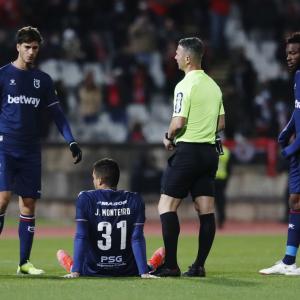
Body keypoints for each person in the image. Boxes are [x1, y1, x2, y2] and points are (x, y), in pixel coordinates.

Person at [0, 26, 82, 275]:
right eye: (27, 47)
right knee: (2, 199)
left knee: (29, 204)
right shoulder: (3, 76)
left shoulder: (43, 81)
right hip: (5, 147)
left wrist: (71, 141)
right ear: (18, 47)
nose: (31, 52)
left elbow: (58, 115)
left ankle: (24, 263)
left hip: (31, 151)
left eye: (35, 48)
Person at [151, 37, 225, 277]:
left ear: (188, 58)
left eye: (177, 53)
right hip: (209, 153)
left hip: (188, 152)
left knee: (166, 205)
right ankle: (199, 265)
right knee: (205, 209)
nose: (174, 57)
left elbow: (178, 121)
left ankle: (171, 265)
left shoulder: (184, 85)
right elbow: (221, 123)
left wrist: (168, 136)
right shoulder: (214, 86)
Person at [56, 158, 164, 278]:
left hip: (93, 270)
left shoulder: (85, 198)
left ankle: (71, 265)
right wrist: (144, 273)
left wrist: (75, 272)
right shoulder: (135, 199)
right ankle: (151, 265)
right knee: (161, 253)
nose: (93, 181)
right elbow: (137, 237)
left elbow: (82, 236)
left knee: (61, 254)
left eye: (93, 178)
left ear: (100, 180)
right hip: (127, 269)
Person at [259, 32, 300, 276]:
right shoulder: (297, 77)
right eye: (288, 53)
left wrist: (288, 150)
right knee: (295, 201)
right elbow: (298, 111)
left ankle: (288, 261)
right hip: (298, 152)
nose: (289, 57)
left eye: (294, 52)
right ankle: (288, 261)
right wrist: (287, 131)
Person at [215, 144, 231, 229]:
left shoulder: (210, 148)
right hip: (222, 179)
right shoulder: (226, 151)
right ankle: (221, 221)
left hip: (211, 178)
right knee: (220, 202)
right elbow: (229, 168)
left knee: (207, 201)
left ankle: (206, 221)